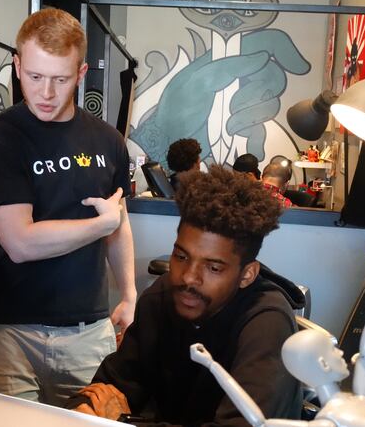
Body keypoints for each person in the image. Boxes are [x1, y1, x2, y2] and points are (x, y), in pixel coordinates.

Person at [0, 8, 136, 406]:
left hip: (89, 330)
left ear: (80, 74)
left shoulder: (109, 142)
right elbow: (21, 243)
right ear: (17, 64)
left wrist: (129, 294)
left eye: (60, 79)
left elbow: (119, 223)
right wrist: (99, 225)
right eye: (34, 77)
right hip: (11, 335)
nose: (45, 93)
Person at [69, 165, 304, 425]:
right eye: (181, 256)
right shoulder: (160, 299)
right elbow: (112, 385)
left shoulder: (266, 323)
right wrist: (84, 410)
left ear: (247, 274)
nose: (188, 277)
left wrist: (124, 421)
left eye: (213, 267)